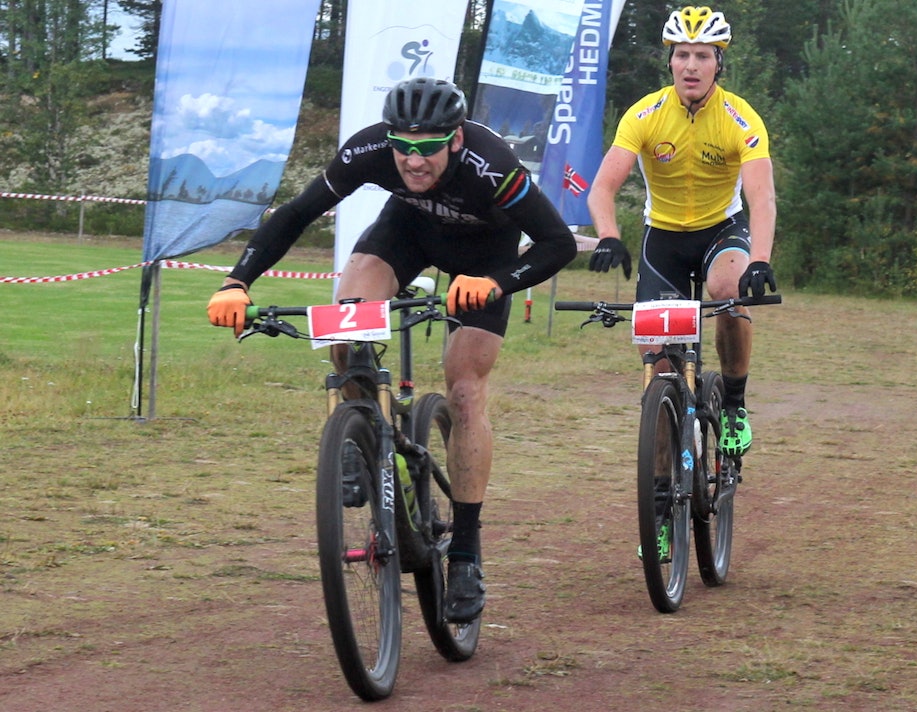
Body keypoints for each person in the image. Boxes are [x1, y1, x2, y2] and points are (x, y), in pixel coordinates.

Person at [207, 77, 578, 623]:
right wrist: (237, 282)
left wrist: (497, 283)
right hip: (406, 234)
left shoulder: (492, 165)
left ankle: (467, 554)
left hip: (486, 258)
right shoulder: (370, 149)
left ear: (455, 140)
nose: (413, 161)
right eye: (403, 146)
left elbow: (558, 243)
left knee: (465, 390)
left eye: (429, 148)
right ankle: (361, 433)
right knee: (346, 325)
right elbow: (297, 212)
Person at [587, 5, 777, 461]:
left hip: (721, 230)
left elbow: (762, 198)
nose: (691, 66)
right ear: (670, 61)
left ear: (718, 63)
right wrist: (609, 235)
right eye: (682, 54)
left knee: (727, 290)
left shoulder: (740, 118)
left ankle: (734, 404)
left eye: (702, 55)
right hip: (664, 237)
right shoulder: (645, 114)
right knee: (658, 366)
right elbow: (602, 188)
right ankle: (659, 494)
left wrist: (760, 259)